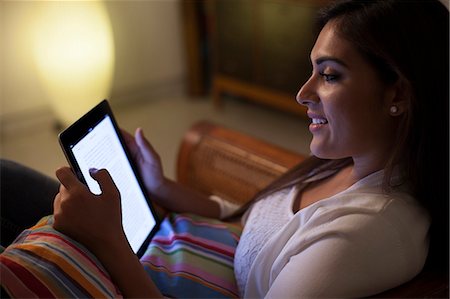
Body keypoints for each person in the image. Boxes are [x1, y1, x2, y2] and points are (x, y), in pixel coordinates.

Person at [1, 0, 448, 297]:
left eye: (329, 75)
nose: (302, 93)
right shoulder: (354, 162)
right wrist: (162, 186)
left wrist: (108, 239)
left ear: (399, 95)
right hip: (160, 243)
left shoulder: (364, 236)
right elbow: (247, 223)